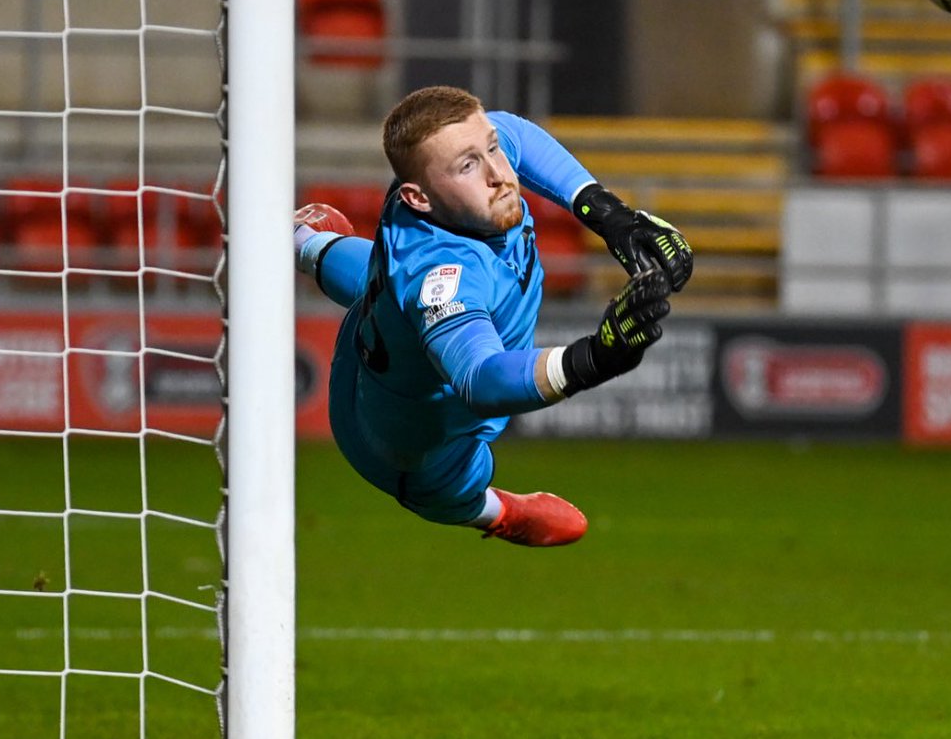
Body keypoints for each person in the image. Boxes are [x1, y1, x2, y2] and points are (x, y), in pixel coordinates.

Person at [293, 86, 693, 547]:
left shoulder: (435, 174)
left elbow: (514, 132)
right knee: (455, 493)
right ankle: (499, 514)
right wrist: (593, 358)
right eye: (468, 166)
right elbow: (479, 377)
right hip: (408, 454)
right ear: (417, 198)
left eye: (492, 149)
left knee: (379, 286)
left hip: (380, 331)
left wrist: (609, 214)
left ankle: (302, 240)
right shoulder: (444, 276)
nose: (499, 175)